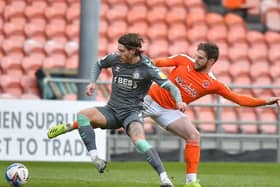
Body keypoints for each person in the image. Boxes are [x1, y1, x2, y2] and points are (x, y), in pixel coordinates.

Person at [48, 41, 280, 187]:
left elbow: (239, 99)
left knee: (194, 135)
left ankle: (191, 182)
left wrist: (265, 102)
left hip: (168, 110)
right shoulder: (182, 60)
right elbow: (154, 63)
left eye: (200, 58)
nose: (195, 59)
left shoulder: (213, 83)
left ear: (211, 61)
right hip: (147, 99)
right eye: (196, 55)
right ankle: (69, 126)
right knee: (103, 121)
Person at [48, 33, 187, 187]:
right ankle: (96, 158)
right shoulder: (115, 58)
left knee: (140, 143)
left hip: (132, 114)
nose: (118, 53)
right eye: (118, 50)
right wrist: (92, 82)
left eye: (122, 51)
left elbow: (171, 87)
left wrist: (179, 101)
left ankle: (165, 179)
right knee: (82, 116)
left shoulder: (147, 67)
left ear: (133, 51)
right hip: (112, 111)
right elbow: (98, 64)